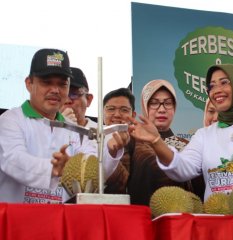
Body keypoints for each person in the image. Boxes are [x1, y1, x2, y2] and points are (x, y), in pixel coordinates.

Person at [129, 64, 233, 201]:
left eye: (224, 82)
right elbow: (181, 169)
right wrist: (157, 140)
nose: (216, 90)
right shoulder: (204, 135)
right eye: (211, 86)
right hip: (215, 226)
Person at [0, 48, 128, 203]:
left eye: (62, 84)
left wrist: (111, 151)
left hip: (60, 221)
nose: (55, 90)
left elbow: (91, 171)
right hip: (17, 221)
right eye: (46, 82)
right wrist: (53, 169)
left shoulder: (74, 129)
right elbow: (13, 159)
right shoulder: (10, 120)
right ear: (29, 83)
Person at [127, 79, 194, 205]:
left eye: (168, 103)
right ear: (144, 106)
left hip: (179, 217)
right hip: (142, 217)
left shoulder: (187, 144)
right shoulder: (132, 140)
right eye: (154, 103)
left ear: (174, 108)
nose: (162, 109)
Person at [103, 88, 136, 194]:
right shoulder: (90, 138)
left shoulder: (141, 144)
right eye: (111, 109)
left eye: (124, 110)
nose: (117, 114)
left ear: (133, 115)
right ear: (102, 112)